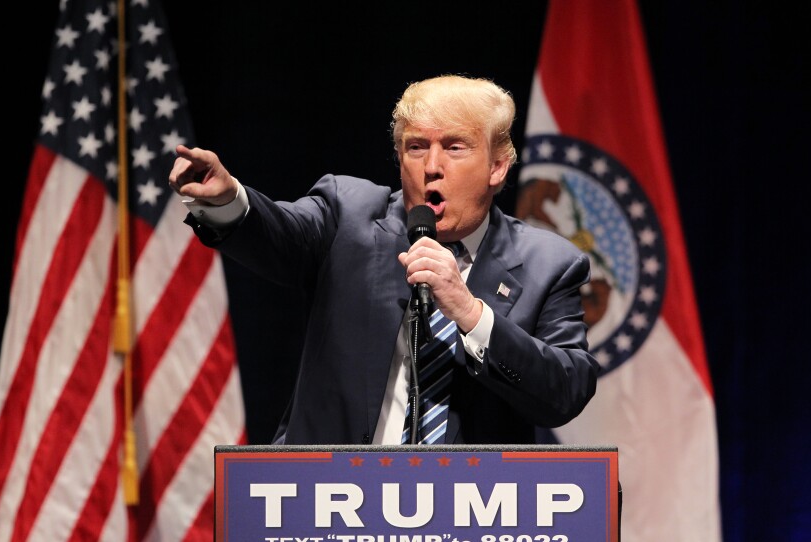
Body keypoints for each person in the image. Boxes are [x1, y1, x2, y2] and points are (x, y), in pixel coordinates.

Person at [168, 74, 599, 445]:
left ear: (498, 167)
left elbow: (565, 390)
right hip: (330, 503)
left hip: (470, 511)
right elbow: (277, 233)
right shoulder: (348, 215)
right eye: (415, 147)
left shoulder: (548, 263)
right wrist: (227, 201)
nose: (431, 166)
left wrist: (470, 312)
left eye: (454, 147)